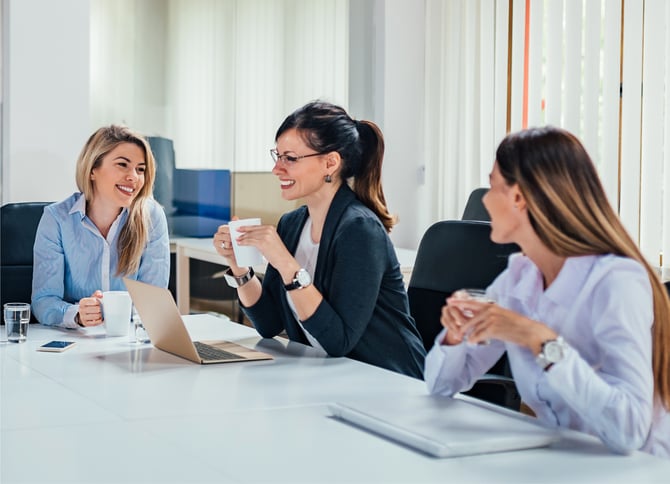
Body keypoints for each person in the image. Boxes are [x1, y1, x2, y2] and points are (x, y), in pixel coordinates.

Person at [424, 126, 670, 458]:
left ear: (518, 197)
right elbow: (441, 386)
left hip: (635, 468)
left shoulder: (616, 282)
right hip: (563, 460)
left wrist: (541, 341)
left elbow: (629, 430)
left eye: (493, 185)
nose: (484, 199)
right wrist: (454, 336)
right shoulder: (519, 277)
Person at [213, 100, 426, 378]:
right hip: (331, 375)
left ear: (330, 162)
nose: (277, 169)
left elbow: (338, 340)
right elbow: (269, 324)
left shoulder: (359, 230)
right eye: (277, 156)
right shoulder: (292, 224)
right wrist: (239, 266)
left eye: (290, 158)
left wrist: (285, 263)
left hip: (387, 379)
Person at [32, 125, 170, 328]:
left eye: (140, 169)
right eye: (123, 165)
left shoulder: (152, 217)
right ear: (92, 170)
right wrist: (78, 314)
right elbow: (43, 301)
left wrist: (111, 310)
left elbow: (154, 303)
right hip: (75, 341)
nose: (134, 177)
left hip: (129, 341)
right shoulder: (57, 219)